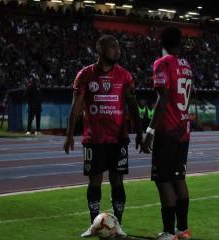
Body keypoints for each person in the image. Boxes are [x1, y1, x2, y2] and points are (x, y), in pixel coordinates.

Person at [63, 34, 142, 238]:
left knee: (118, 183)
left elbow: (133, 106)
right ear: (100, 49)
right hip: (94, 140)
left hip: (118, 139)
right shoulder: (85, 75)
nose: (118, 50)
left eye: (118, 46)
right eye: (113, 46)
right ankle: (94, 224)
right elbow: (76, 106)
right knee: (94, 183)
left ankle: (118, 225)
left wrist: (140, 133)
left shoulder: (125, 76)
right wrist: (69, 134)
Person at [142, 26, 193, 240]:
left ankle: (169, 232)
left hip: (168, 131)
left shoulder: (162, 63)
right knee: (179, 179)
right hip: (184, 130)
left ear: (161, 41)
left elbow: (162, 99)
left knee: (164, 181)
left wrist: (150, 130)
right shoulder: (186, 65)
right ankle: (183, 230)